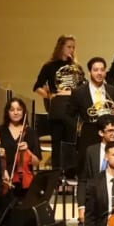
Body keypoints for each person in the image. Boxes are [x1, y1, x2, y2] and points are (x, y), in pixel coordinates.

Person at [0, 97, 42, 226]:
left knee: (21, 221)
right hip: (5, 181)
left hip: (25, 184)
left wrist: (28, 150)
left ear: (23, 112)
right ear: (7, 112)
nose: (15, 112)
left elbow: (37, 162)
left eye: (19, 109)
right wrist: (2, 168)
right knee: (5, 222)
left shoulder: (30, 133)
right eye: (12, 109)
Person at [33, 34, 82, 174]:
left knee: (71, 143)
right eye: (68, 47)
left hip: (72, 110)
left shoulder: (76, 67)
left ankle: (70, 175)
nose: (71, 50)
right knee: (57, 143)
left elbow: (82, 88)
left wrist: (70, 93)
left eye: (73, 47)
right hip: (57, 109)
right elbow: (37, 87)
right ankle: (56, 176)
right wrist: (50, 95)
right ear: (61, 47)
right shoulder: (49, 66)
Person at [68, 56, 114, 161]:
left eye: (102, 70)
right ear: (89, 72)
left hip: (109, 134)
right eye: (95, 70)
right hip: (88, 135)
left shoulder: (113, 91)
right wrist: (80, 129)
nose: (99, 73)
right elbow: (70, 114)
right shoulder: (78, 92)